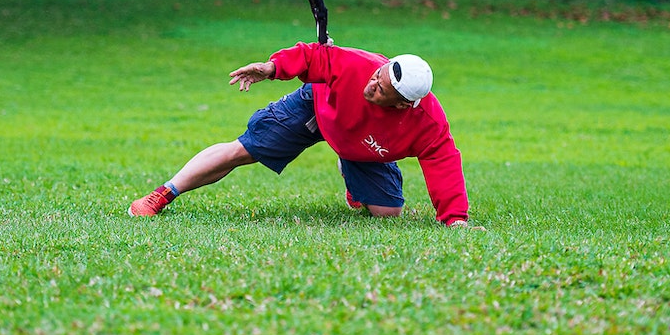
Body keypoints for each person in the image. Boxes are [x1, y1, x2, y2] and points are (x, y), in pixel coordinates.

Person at [128, 42, 474, 227]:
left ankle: (351, 172)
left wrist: (455, 219)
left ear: (403, 105)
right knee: (244, 149)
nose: (371, 85)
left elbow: (444, 163)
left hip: (362, 145)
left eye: (381, 89)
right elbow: (313, 56)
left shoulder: (427, 123)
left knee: (388, 213)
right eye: (376, 77)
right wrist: (272, 68)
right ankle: (162, 195)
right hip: (317, 108)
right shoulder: (357, 64)